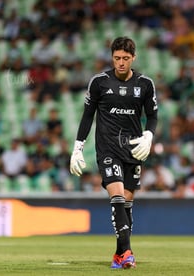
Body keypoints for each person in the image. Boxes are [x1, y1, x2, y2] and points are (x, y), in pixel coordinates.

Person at [69, 37, 158, 269]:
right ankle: (128, 253)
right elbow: (87, 115)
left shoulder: (145, 84)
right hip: (108, 148)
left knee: (127, 203)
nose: (121, 63)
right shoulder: (99, 82)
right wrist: (78, 146)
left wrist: (149, 136)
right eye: (117, 58)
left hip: (134, 149)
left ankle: (119, 254)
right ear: (112, 57)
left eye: (125, 58)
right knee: (117, 196)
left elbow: (153, 116)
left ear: (133, 58)